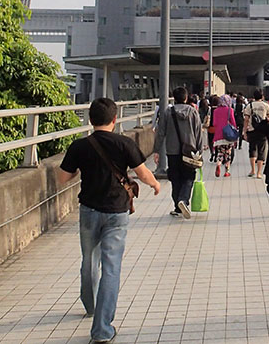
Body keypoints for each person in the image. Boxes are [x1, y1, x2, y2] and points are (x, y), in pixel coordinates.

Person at [58, 97, 161, 344]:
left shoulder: (79, 146)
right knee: (111, 267)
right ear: (114, 119)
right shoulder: (124, 143)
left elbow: (62, 178)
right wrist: (155, 184)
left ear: (90, 120)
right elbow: (142, 172)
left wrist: (80, 170)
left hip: (89, 210)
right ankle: (102, 329)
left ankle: (91, 306)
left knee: (89, 260)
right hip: (116, 212)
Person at [152, 86, 204, 219]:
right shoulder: (193, 112)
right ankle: (183, 200)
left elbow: (160, 132)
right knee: (188, 177)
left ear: (174, 98)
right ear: (186, 98)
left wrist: (157, 150)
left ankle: (177, 207)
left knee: (175, 178)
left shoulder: (168, 112)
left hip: (172, 151)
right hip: (190, 151)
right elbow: (198, 132)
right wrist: (200, 150)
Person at [242, 88, 269, 179]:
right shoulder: (266, 106)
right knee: (261, 151)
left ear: (253, 96)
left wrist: (244, 131)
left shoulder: (249, 106)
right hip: (263, 131)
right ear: (262, 96)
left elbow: (246, 120)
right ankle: (259, 173)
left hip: (252, 130)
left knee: (252, 150)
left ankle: (252, 170)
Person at [210, 94, 237, 177]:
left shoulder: (215, 111)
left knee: (220, 153)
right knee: (228, 153)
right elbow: (233, 122)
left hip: (218, 135)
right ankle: (226, 171)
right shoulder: (230, 110)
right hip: (228, 135)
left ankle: (218, 163)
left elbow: (214, 123)